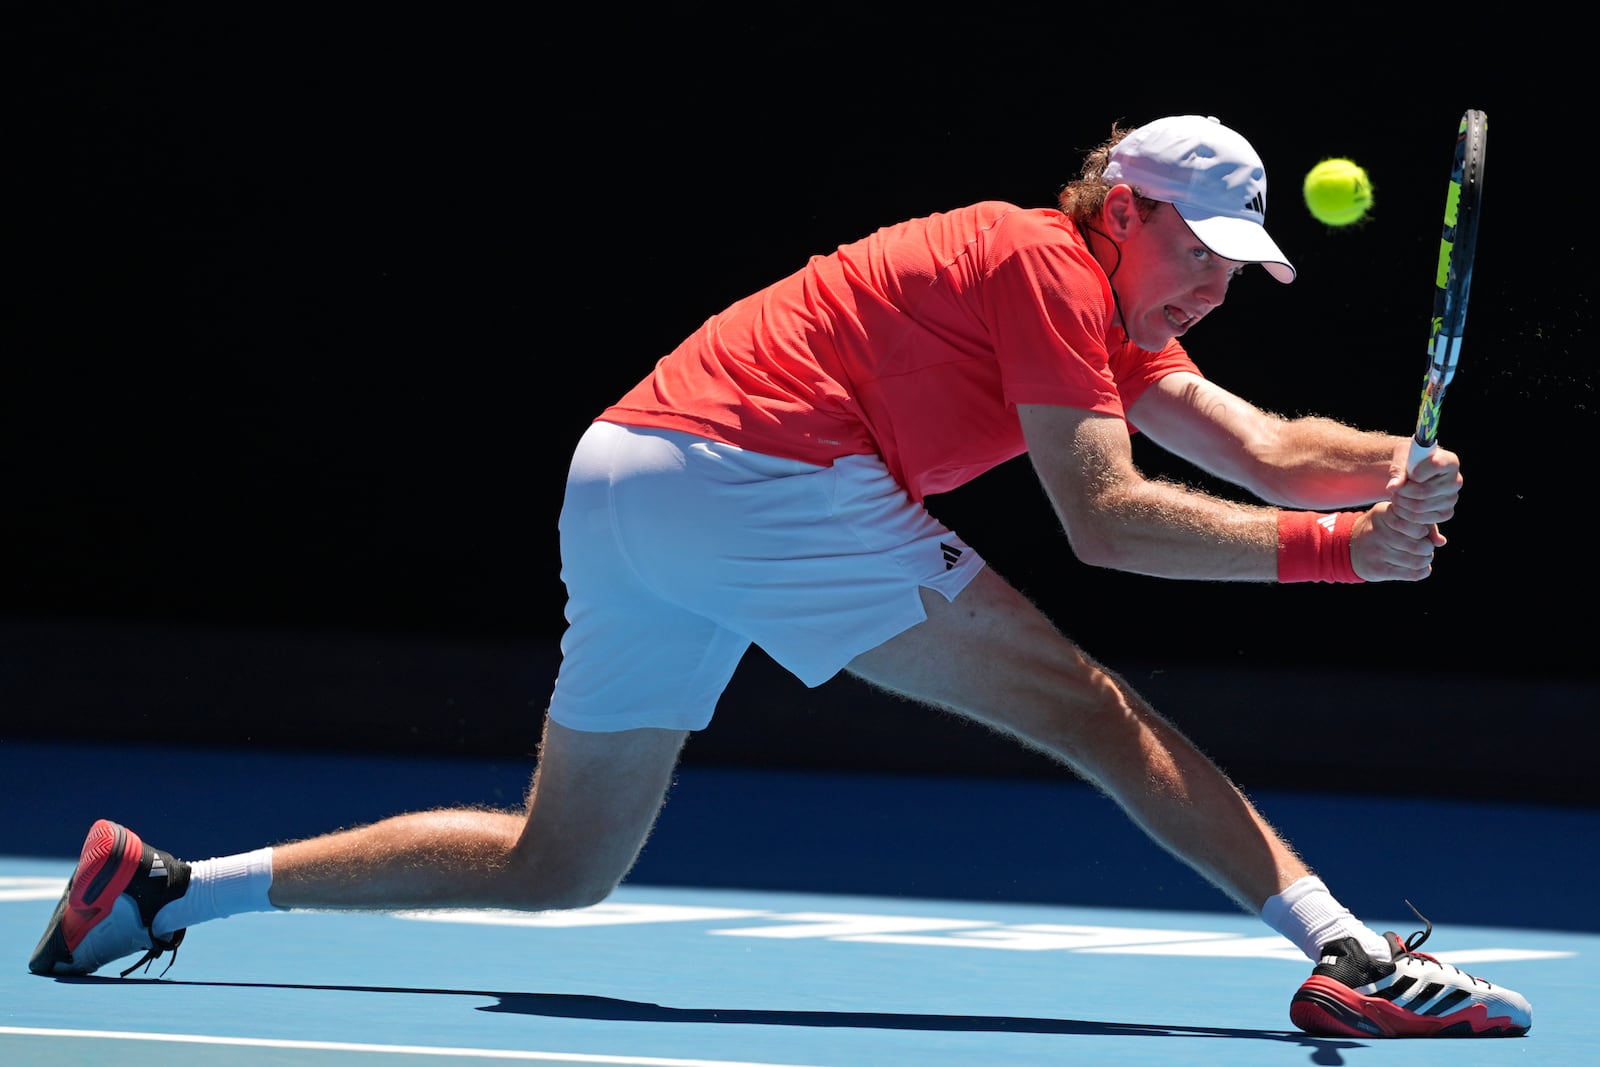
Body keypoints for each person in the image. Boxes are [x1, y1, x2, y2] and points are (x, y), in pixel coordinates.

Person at [29, 114, 1530, 1039]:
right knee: (1094, 713)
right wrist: (1339, 558)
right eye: (1195, 248)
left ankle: (164, 892)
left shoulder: (1106, 308)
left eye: (1235, 263)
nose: (1212, 282)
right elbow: (1107, 519)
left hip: (628, 471)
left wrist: (1391, 468)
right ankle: (1344, 953)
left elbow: (1262, 444)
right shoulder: (1041, 266)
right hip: (760, 475)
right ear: (1120, 209)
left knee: (562, 864)